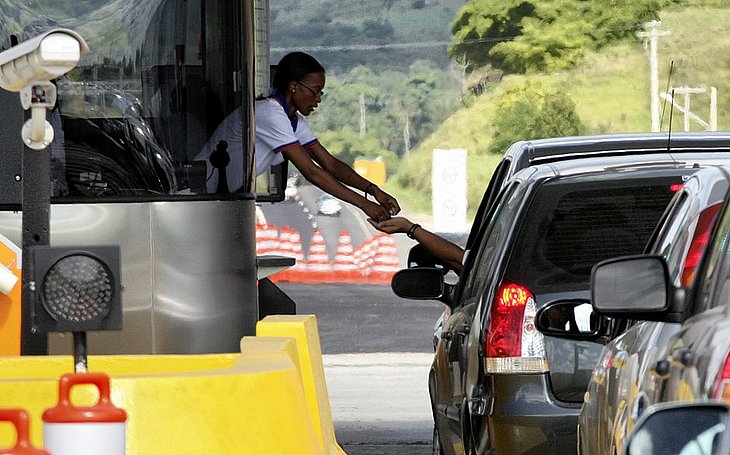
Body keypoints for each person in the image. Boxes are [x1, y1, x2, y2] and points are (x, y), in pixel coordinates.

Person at [257, 52, 399, 222]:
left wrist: (374, 190)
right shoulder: (271, 113)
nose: (318, 99)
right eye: (315, 91)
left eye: (320, 93)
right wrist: (365, 204)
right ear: (293, 86)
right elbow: (312, 172)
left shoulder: (293, 121)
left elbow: (330, 164)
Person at [368, 216, 465, 272]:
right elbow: (459, 261)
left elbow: (458, 260)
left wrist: (409, 228)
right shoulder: (477, 266)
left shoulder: (478, 267)